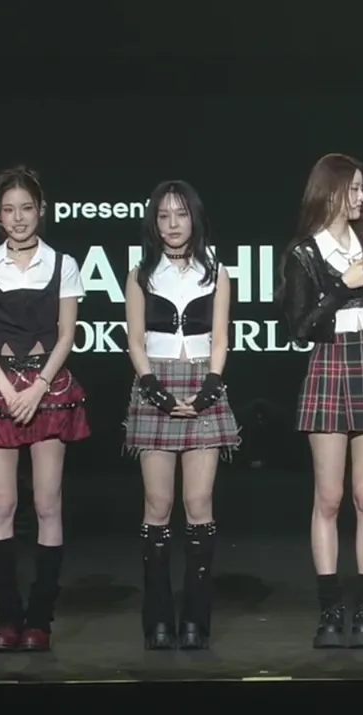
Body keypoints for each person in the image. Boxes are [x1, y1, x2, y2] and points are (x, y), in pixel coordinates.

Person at [0, 166, 91, 652]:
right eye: (9, 210)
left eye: (27, 208)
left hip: (47, 388)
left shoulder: (62, 264)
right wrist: (8, 390)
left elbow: (67, 334)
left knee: (48, 503)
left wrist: (37, 387)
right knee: (1, 505)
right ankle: (7, 618)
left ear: (42, 211)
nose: (18, 218)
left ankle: (40, 620)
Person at [279, 153, 363, 650]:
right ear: (329, 192)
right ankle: (330, 610)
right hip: (328, 365)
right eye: (353, 189)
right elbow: (299, 327)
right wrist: (339, 286)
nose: (361, 198)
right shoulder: (304, 253)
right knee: (328, 497)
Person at [123, 180, 240, 651]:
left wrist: (210, 387)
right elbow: (134, 340)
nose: (172, 224)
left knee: (198, 501)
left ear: (195, 218)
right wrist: (154, 388)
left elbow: (221, 338)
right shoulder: (140, 274)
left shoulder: (216, 272)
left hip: (202, 383)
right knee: (157, 504)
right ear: (154, 222)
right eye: (163, 215)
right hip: (155, 385)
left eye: (181, 214)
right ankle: (157, 619)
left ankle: (195, 620)